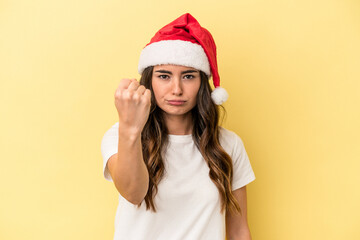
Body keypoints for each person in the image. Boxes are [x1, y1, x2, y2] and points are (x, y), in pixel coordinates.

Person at [101, 13, 256, 240]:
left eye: (188, 76)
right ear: (149, 81)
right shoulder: (119, 135)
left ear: (202, 82)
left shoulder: (228, 144)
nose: (176, 89)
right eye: (164, 76)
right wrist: (131, 127)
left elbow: (239, 230)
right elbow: (133, 193)